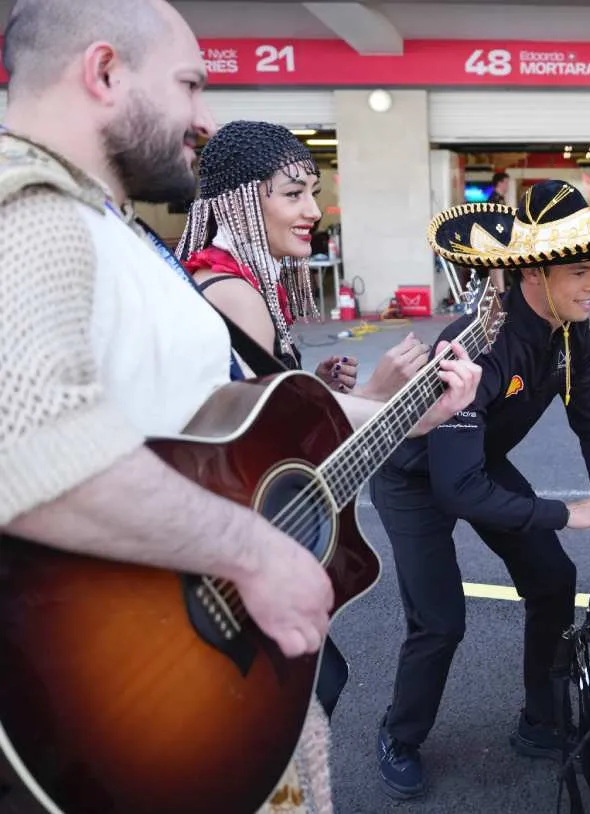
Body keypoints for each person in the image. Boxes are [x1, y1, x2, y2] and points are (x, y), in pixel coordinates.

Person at [0, 2, 482, 813]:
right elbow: (27, 438)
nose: (204, 117)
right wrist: (254, 555)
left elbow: (240, 418)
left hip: (197, 679)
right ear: (105, 72)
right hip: (131, 686)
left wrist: (412, 414)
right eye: (190, 85)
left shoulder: (105, 228)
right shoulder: (30, 215)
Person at [370, 180, 590, 801]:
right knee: (440, 621)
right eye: (579, 270)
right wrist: (564, 512)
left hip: (476, 463)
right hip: (413, 478)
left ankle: (540, 721)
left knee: (549, 582)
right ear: (533, 274)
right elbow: (456, 490)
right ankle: (399, 736)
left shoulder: (571, 335)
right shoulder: (475, 345)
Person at [176, 118, 433, 723]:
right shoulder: (232, 292)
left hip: (227, 545)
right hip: (230, 562)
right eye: (293, 194)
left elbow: (258, 426)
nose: (313, 209)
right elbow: (269, 462)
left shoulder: (230, 281)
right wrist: (400, 408)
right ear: (241, 201)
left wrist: (341, 392)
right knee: (301, 692)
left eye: (312, 192)